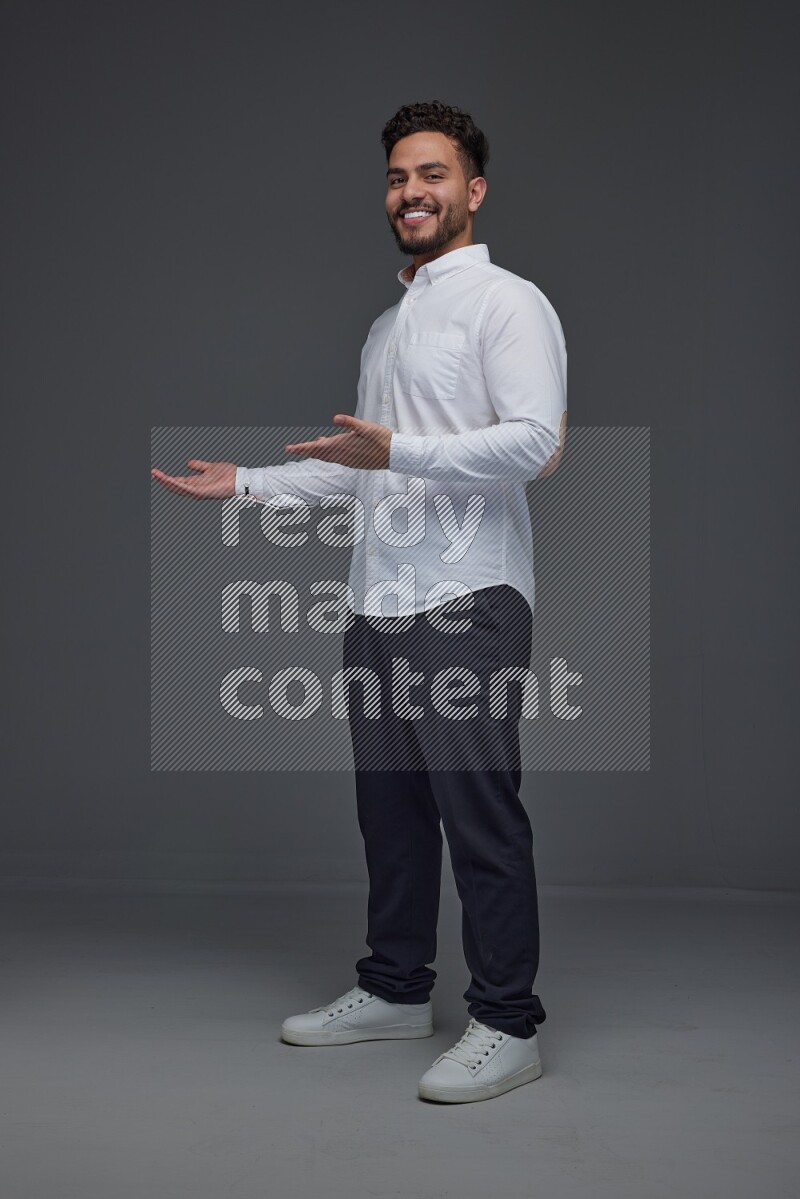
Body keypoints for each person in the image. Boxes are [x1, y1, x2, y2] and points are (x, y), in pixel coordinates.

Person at [151, 99, 568, 1104]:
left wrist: (399, 449)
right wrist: (245, 483)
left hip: (466, 601)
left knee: (478, 816)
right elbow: (367, 474)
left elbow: (535, 442)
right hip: (379, 603)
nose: (410, 192)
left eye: (430, 174)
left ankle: (507, 1018)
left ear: (472, 190)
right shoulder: (388, 325)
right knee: (388, 813)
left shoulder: (507, 303)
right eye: (395, 176)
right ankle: (393, 987)